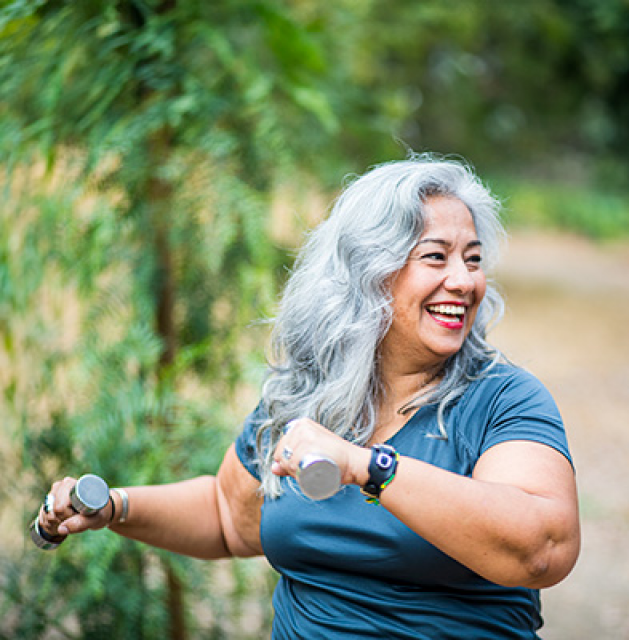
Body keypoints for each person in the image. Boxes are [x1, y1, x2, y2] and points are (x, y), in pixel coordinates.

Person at [38, 154, 580, 639]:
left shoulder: (504, 401)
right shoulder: (306, 393)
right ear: (369, 272)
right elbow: (229, 515)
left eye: (473, 259)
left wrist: (370, 468)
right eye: (435, 257)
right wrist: (114, 507)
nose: (464, 281)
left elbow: (542, 549)